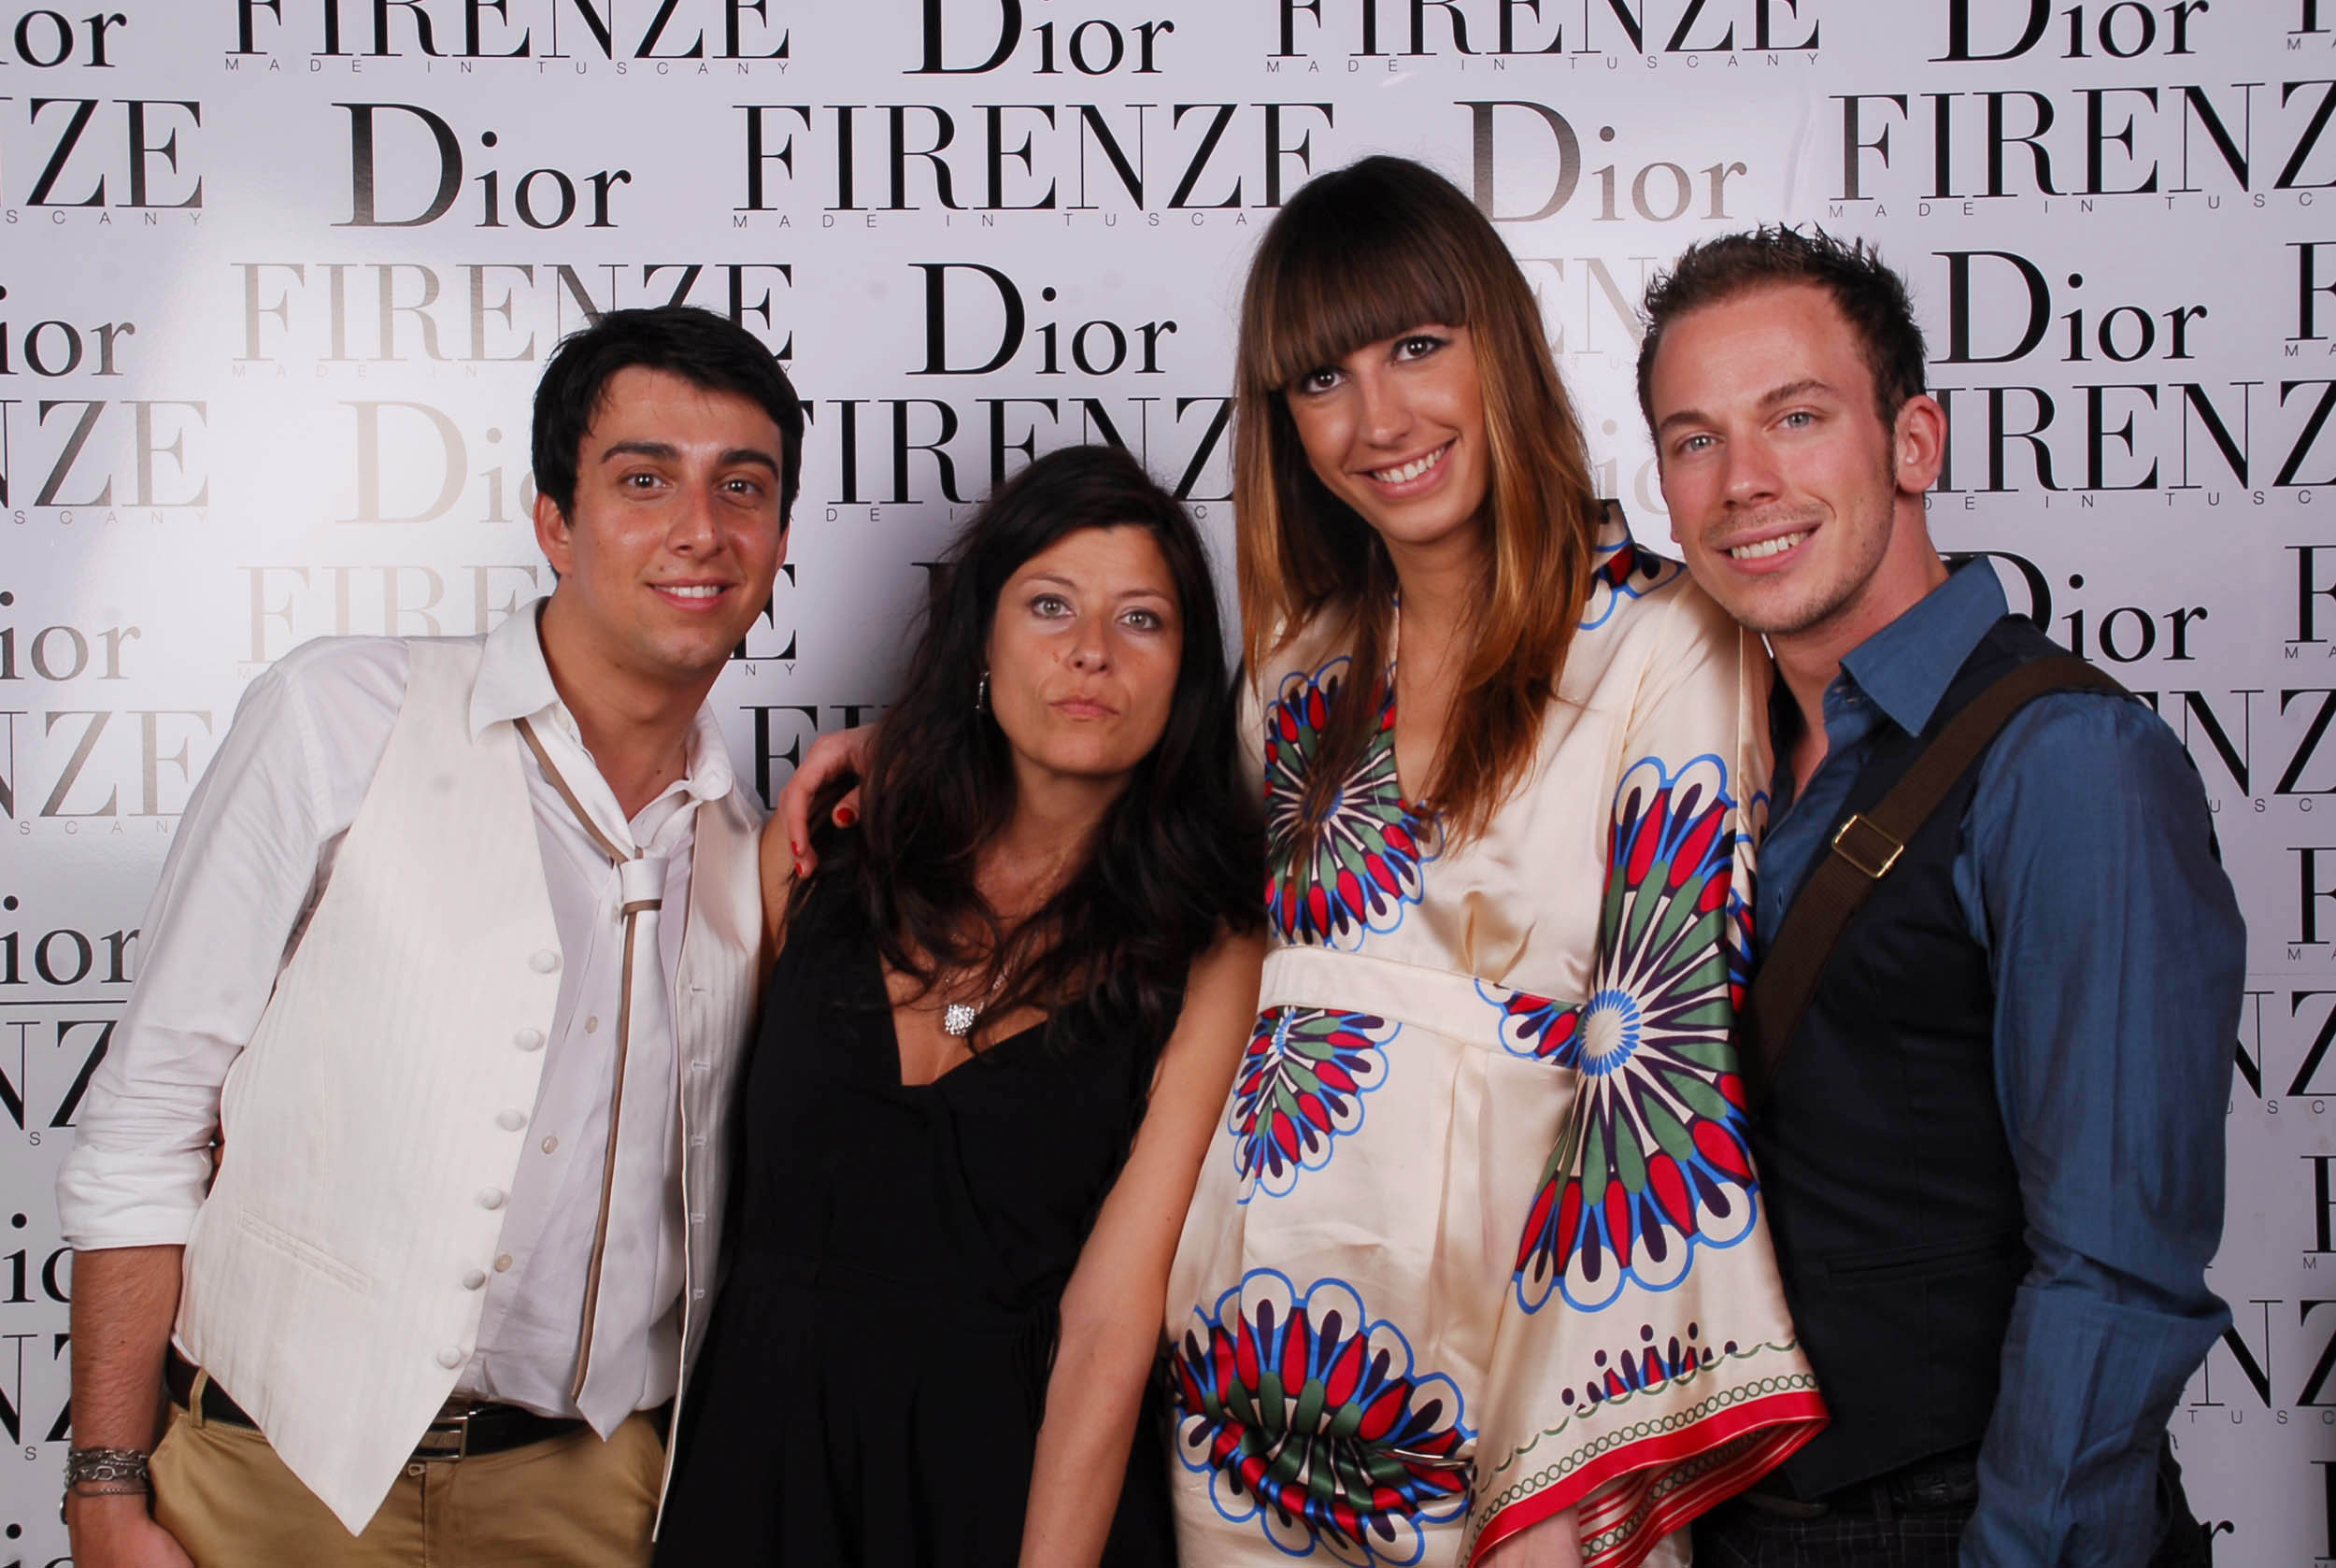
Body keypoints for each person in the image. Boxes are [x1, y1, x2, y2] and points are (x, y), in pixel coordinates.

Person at [783, 155, 1827, 1568]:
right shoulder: (1300, 669)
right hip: (1252, 1363)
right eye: (1322, 378)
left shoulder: (1669, 639)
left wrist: (1562, 1465)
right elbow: (1135, 857)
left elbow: (1667, 1052)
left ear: (1498, 348)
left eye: (1415, 348)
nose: (1376, 418)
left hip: (1512, 1370)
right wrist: (908, 753)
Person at [54, 305, 802, 1568]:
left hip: (592, 1502)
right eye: (643, 478)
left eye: (744, 486)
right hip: (267, 1477)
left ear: (779, 539)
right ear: (553, 521)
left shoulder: (755, 850)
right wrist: (108, 1486)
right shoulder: (338, 714)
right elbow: (148, 1116)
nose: (701, 529)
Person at [1636, 228, 2238, 1566]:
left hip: (1965, 1521)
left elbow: (2115, 1266)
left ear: (1915, 442)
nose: (1745, 482)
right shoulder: (1696, 754)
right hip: (1734, 1522)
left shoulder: (2070, 760)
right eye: (1695, 439)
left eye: (1796, 417)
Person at [653, 443, 1265, 1566]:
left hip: (1014, 1496)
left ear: (1185, 673)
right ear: (981, 638)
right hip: (758, 1474)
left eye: (1141, 620)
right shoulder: (817, 859)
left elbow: (1111, 1321)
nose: (1089, 652)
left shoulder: (1211, 951)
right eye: (1048, 605)